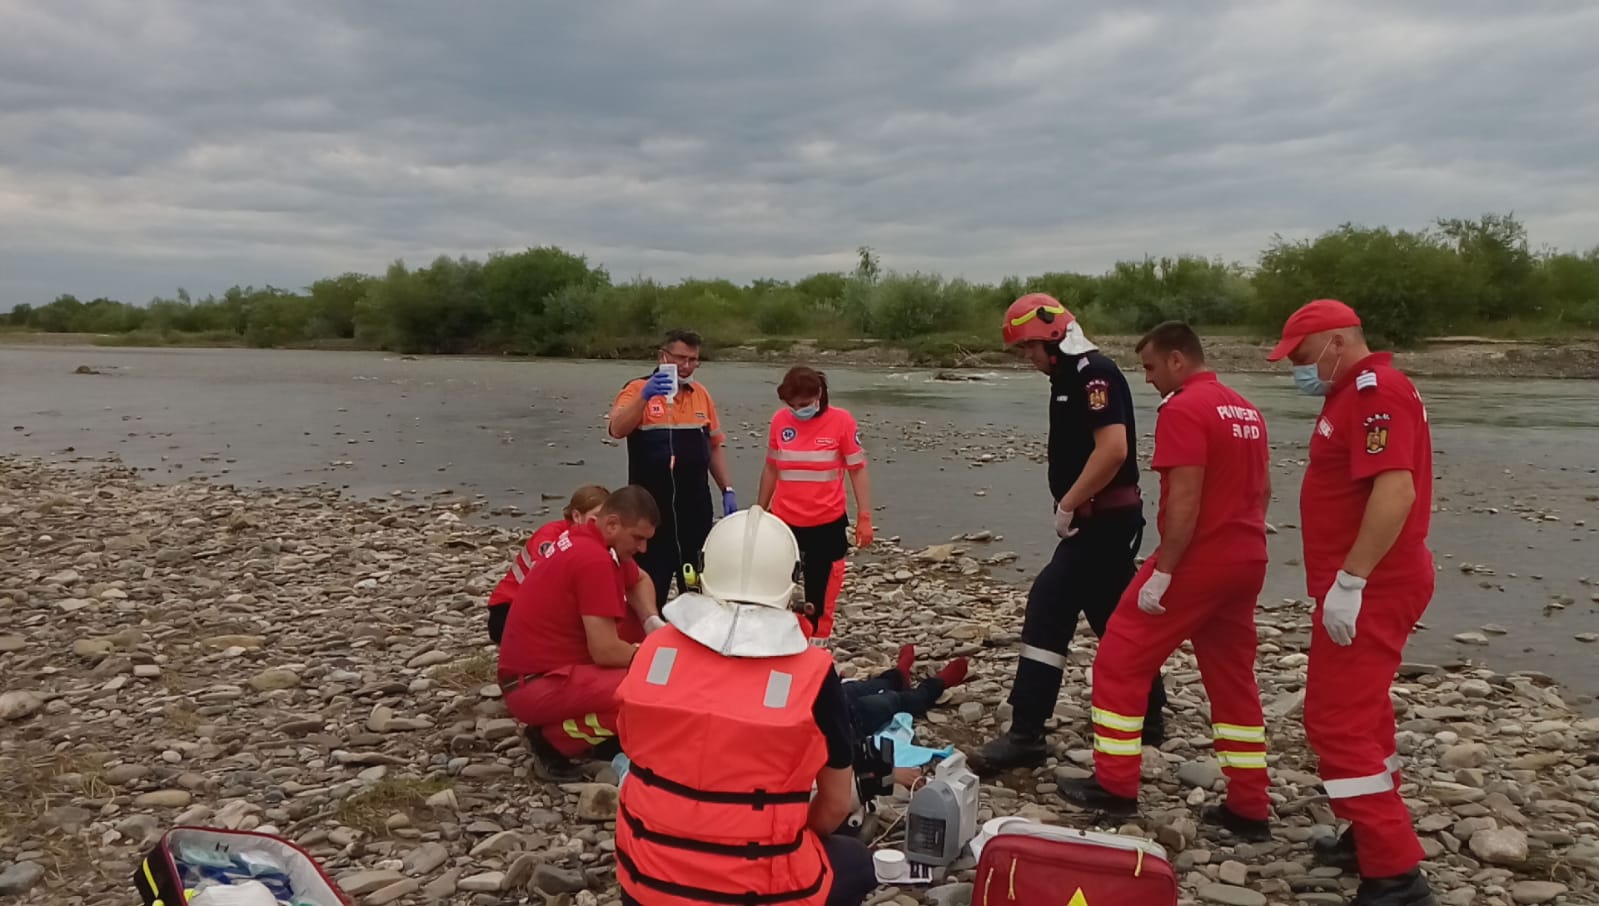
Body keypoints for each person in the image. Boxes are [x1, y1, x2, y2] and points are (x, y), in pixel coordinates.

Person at [1056, 322, 1272, 839]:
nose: (1148, 379)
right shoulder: (1246, 410)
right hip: (1248, 558)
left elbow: (1185, 499)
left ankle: (1115, 784)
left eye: (1151, 367)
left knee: (1119, 660)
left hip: (1197, 559)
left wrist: (1165, 571)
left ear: (1178, 360)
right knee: (1233, 681)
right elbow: (1263, 490)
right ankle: (1249, 805)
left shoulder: (1184, 409)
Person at [613, 506, 877, 906]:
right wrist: (786, 835)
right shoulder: (813, 673)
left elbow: (633, 748)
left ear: (704, 569)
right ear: (790, 580)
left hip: (646, 884)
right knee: (855, 861)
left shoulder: (652, 651)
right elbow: (836, 804)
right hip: (756, 890)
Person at [1268, 299, 1438, 906]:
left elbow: (1395, 490)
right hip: (1368, 581)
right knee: (1363, 714)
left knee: (1335, 721)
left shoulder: (1374, 392)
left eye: (1303, 355)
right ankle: (1368, 835)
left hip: (1374, 584)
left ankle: (1395, 874)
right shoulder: (1353, 393)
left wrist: (1352, 581)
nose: (1299, 368)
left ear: (1337, 342)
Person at [969, 294, 1167, 774]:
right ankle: (1150, 713)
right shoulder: (1068, 377)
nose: (1027, 357)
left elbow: (1113, 450)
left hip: (1102, 520)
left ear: (1053, 337)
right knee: (1111, 615)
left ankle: (1027, 732)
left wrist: (1069, 502)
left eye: (1029, 348)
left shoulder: (1093, 374)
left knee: (1048, 607)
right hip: (1099, 519)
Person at [497, 486, 665, 780]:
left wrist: (651, 621)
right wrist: (660, 659)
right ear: (612, 524)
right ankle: (554, 743)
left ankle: (576, 729)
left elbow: (639, 579)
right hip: (535, 685)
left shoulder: (584, 539)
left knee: (639, 646)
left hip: (530, 676)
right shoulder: (594, 560)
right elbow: (605, 650)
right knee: (647, 690)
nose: (643, 549)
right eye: (638, 538)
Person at [608, 329, 736, 606]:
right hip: (650, 507)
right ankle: (649, 625)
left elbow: (714, 446)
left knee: (697, 580)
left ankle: (694, 625)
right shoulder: (636, 389)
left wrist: (727, 488)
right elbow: (617, 429)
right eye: (680, 359)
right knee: (651, 579)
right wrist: (645, 396)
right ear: (663, 356)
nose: (687, 366)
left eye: (693, 360)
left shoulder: (701, 395)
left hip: (694, 506)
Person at [757, 366, 874, 643]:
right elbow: (772, 468)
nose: (799, 410)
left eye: (805, 404)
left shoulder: (841, 421)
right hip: (784, 520)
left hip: (826, 521)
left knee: (821, 591)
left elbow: (857, 470)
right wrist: (759, 510)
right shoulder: (780, 421)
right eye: (793, 405)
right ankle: (773, 639)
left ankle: (818, 642)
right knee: (772, 585)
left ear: (819, 394)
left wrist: (865, 517)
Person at [486, 484, 653, 645]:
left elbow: (639, 578)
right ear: (577, 516)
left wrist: (650, 620)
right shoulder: (552, 537)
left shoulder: (598, 544)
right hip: (507, 608)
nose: (601, 521)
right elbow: (547, 582)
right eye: (597, 515)